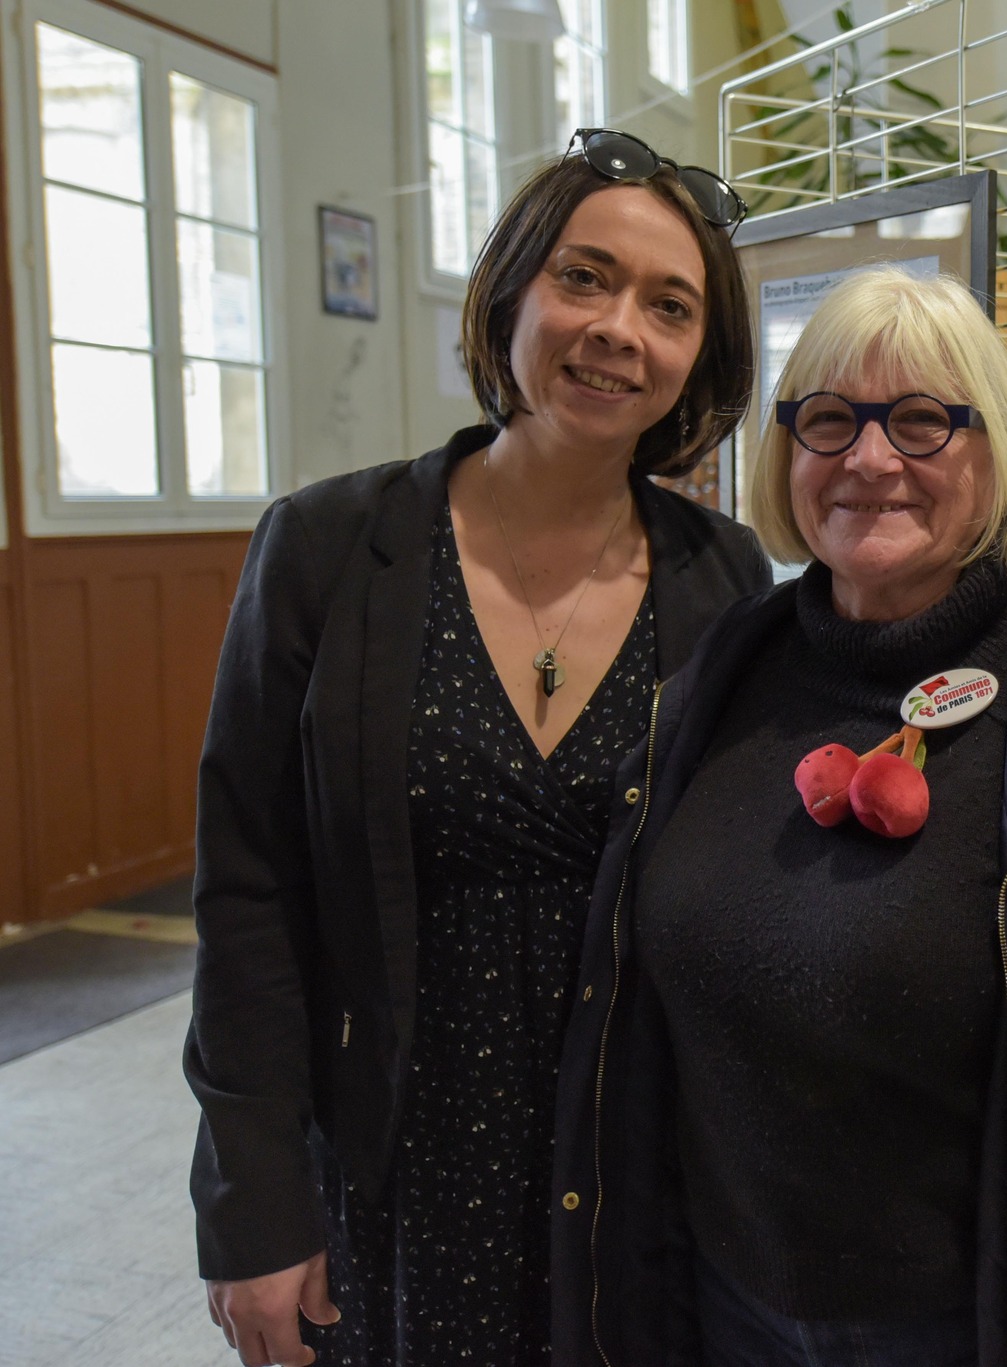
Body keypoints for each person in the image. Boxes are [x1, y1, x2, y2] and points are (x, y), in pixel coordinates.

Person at [548, 267, 1007, 1367]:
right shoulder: (717, 681)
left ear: (993, 450)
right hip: (721, 1313)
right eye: (827, 421)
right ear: (785, 453)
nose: (867, 458)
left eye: (918, 421)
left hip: (986, 1328)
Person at [187, 129, 771, 1367]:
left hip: (632, 1179)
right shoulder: (326, 548)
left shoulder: (723, 579)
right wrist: (251, 1202)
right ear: (511, 292)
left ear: (698, 360)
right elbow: (248, 892)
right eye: (583, 278)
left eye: (669, 306)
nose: (620, 328)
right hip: (393, 1168)